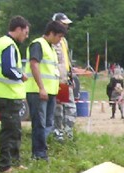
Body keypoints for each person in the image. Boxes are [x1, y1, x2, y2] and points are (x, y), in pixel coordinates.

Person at [0, 16, 30, 173]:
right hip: (7, 94)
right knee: (9, 131)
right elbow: (8, 69)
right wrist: (21, 76)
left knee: (15, 129)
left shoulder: (3, 43)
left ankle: (15, 162)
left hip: (8, 93)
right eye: (25, 32)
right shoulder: (8, 45)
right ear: (18, 29)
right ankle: (5, 165)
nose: (26, 36)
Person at [26, 20, 66, 162]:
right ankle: (38, 154)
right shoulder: (38, 44)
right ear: (51, 33)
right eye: (59, 36)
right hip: (38, 92)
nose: (60, 40)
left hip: (50, 92)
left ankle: (42, 151)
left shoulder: (51, 48)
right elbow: (34, 65)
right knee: (40, 123)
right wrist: (41, 87)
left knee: (48, 123)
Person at [51, 13, 76, 142]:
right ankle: (57, 134)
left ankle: (68, 133)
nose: (66, 27)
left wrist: (71, 77)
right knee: (58, 109)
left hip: (65, 80)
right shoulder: (51, 42)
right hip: (56, 81)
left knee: (71, 108)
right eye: (63, 24)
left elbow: (66, 62)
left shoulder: (64, 41)